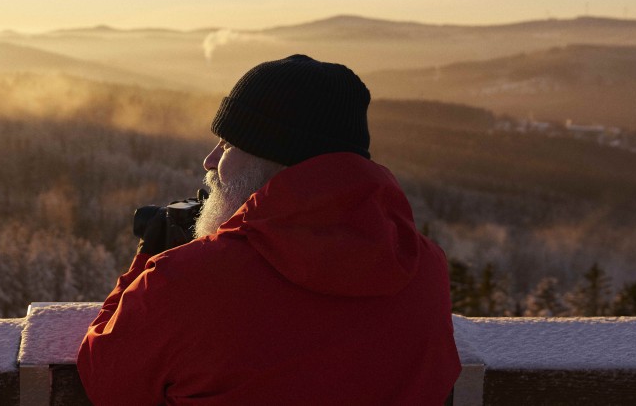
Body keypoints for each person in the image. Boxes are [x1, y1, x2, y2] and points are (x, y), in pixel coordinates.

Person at [76, 54, 460, 405]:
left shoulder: (184, 279)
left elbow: (107, 380)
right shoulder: (426, 267)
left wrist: (150, 257)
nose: (209, 160)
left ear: (271, 159)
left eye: (227, 145)